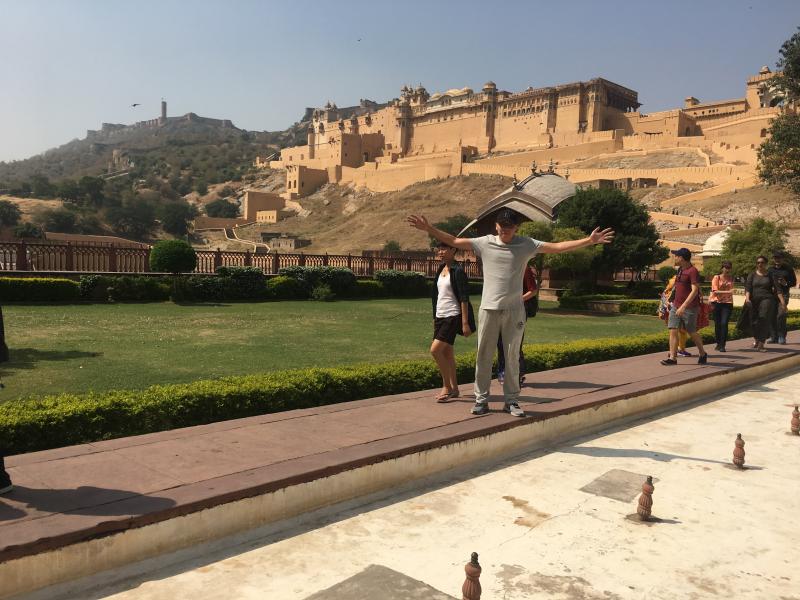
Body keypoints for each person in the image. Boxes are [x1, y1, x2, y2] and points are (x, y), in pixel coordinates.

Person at [408, 209, 613, 417]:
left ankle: (511, 401)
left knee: (512, 357)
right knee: (483, 356)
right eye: (502, 225)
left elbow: (557, 247)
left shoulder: (526, 244)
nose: (505, 230)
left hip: (514, 311)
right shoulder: (485, 243)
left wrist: (589, 241)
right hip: (489, 309)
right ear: (496, 225)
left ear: (516, 228)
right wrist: (429, 228)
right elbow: (453, 240)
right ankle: (481, 400)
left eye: (509, 226)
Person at [430, 241, 473, 402]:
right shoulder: (441, 269)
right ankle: (455, 389)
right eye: (439, 249)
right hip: (440, 316)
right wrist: (435, 317)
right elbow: (437, 296)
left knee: (435, 351)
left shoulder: (458, 271)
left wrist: (465, 323)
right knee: (447, 354)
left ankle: (446, 387)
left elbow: (464, 298)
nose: (440, 252)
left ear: (453, 250)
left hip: (452, 316)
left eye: (444, 249)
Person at [660, 248, 708, 366]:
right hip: (676, 305)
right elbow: (677, 288)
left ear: (681, 258)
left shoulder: (693, 271)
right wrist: (669, 301)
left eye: (676, 256)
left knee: (692, 332)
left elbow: (695, 290)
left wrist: (683, 306)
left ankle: (702, 353)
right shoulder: (680, 270)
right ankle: (673, 358)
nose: (674, 257)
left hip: (689, 307)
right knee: (673, 330)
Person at [496, 262, 538, 386]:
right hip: (503, 310)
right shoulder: (502, 267)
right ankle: (503, 371)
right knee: (500, 342)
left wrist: (517, 300)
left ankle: (518, 374)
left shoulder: (524, 268)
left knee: (515, 343)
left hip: (519, 311)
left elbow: (533, 291)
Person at [745, 255, 785, 352]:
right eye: (758, 262)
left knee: (763, 319)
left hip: (767, 299)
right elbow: (748, 288)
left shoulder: (770, 275)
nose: (760, 264)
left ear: (766, 264)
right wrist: (747, 299)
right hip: (754, 301)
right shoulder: (752, 275)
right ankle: (757, 340)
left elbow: (778, 289)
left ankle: (761, 344)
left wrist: (783, 302)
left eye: (762, 262)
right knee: (754, 322)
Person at [660, 274, 692, 357]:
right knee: (681, 331)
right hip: (677, 308)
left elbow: (666, 297)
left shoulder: (672, 282)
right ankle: (679, 350)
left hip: (670, 307)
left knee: (674, 331)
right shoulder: (681, 282)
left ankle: (674, 351)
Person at [767, 251, 796, 344]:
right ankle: (773, 337)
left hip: (784, 294)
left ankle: (782, 336)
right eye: (775, 258)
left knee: (781, 315)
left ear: (782, 259)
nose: (777, 259)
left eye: (779, 258)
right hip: (772, 295)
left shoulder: (788, 269)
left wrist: (786, 283)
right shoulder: (770, 270)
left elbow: (794, 282)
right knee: (771, 315)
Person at [709, 260, 734, 352]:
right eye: (726, 267)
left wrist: (732, 292)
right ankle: (718, 343)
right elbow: (715, 291)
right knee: (717, 324)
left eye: (729, 268)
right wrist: (728, 292)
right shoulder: (717, 277)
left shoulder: (731, 278)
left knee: (724, 323)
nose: (727, 269)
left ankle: (723, 345)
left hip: (727, 303)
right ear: (722, 268)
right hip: (717, 303)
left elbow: (733, 290)